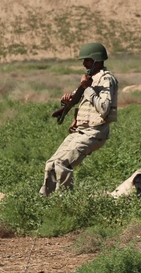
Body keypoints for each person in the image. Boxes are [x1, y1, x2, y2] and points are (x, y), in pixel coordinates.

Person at [40, 42, 118, 196]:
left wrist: (87, 88)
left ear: (97, 60)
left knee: (62, 164)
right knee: (51, 164)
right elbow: (78, 97)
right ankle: (46, 200)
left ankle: (65, 202)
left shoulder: (106, 80)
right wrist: (68, 99)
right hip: (80, 131)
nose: (83, 64)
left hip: (95, 132)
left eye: (87, 60)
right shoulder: (90, 78)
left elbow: (104, 108)